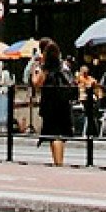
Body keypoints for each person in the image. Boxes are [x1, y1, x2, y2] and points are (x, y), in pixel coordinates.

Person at [33, 38, 76, 167]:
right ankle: (59, 161)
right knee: (60, 134)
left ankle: (58, 162)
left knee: (53, 134)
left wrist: (34, 71)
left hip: (49, 103)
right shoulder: (63, 66)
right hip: (63, 103)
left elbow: (37, 84)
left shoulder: (45, 68)